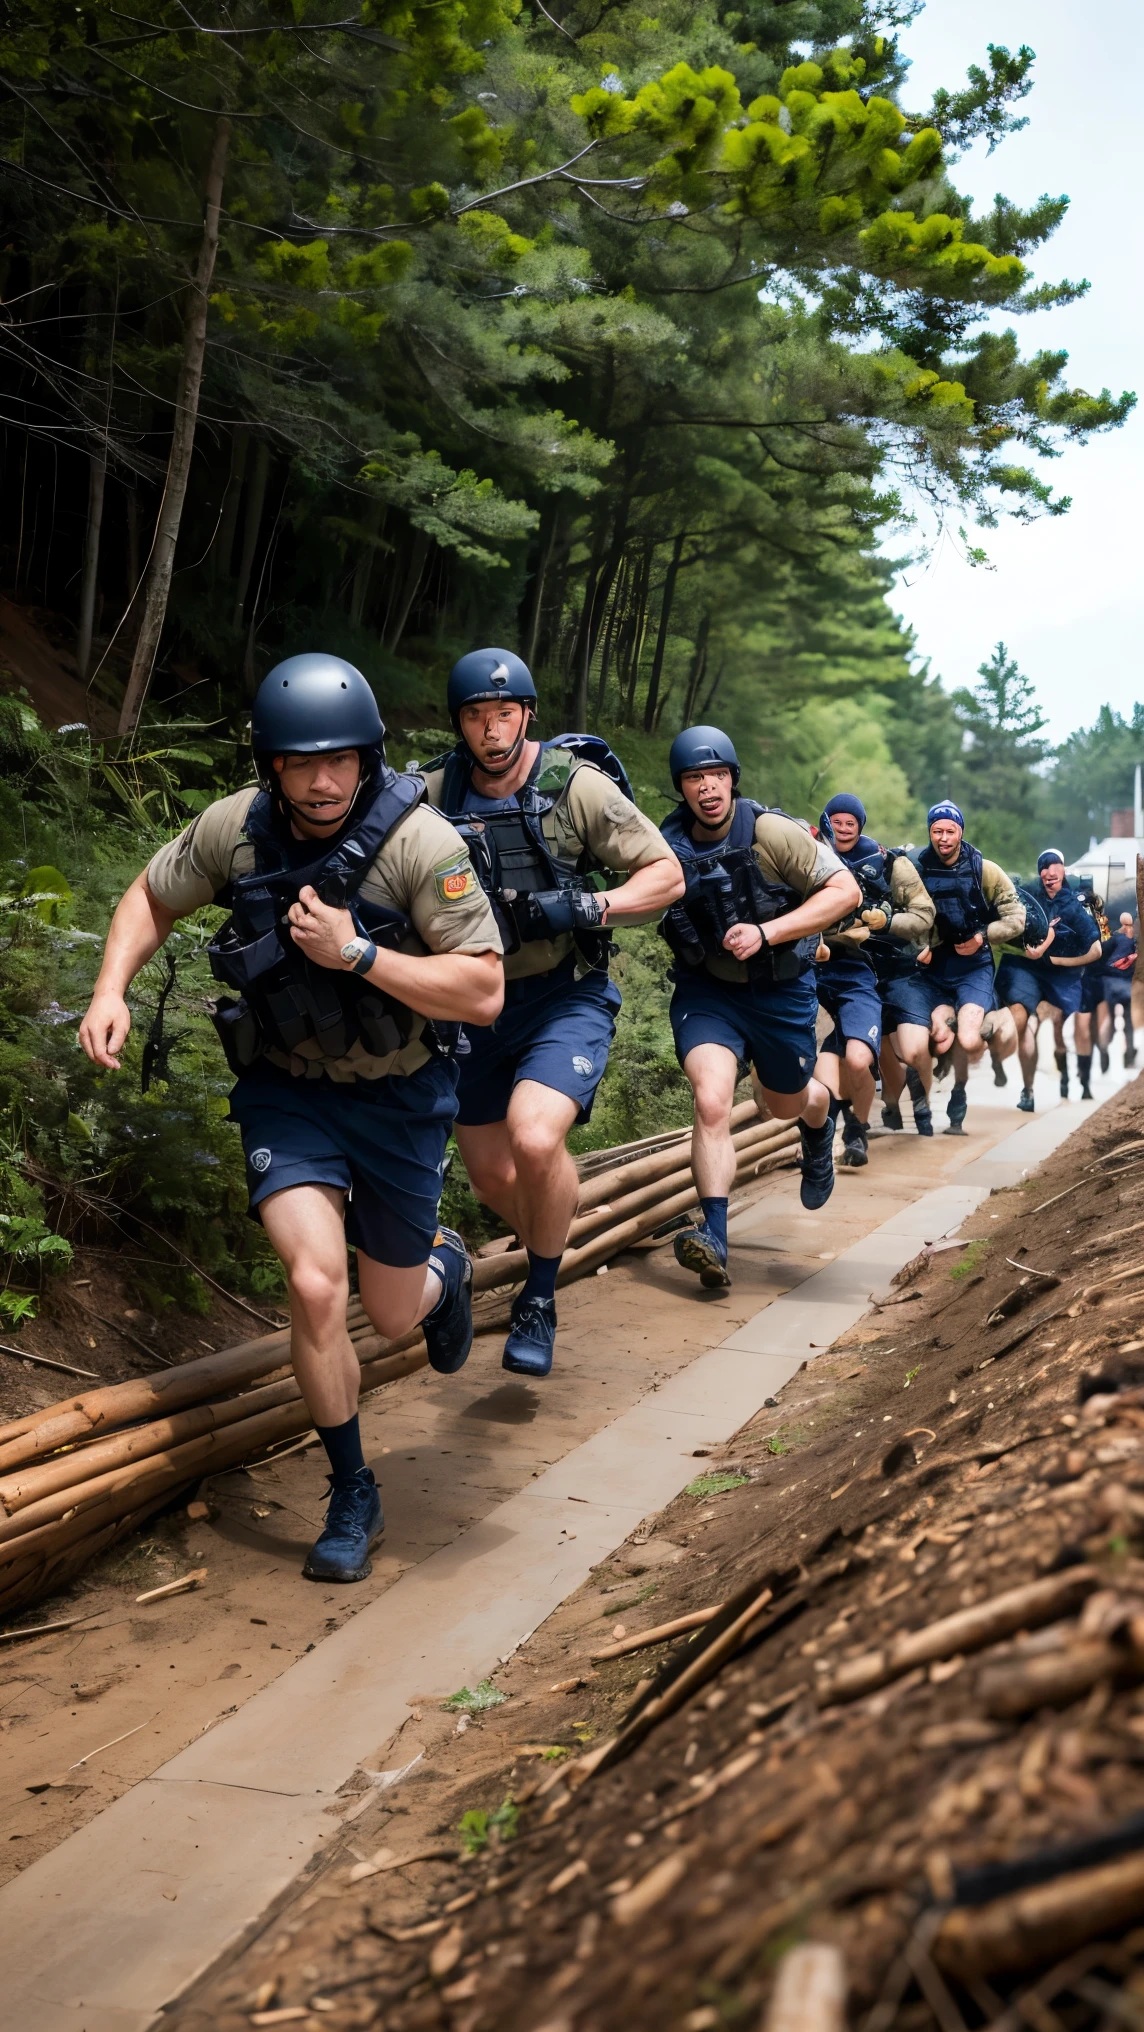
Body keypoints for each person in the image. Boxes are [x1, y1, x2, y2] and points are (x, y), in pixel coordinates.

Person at [79, 654, 505, 1586]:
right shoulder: (238, 827)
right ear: (271, 764)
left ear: (368, 758)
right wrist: (112, 987)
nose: (322, 781)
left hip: (399, 1095)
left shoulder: (423, 846)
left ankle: (445, 1271)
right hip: (289, 1089)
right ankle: (352, 1489)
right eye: (301, 762)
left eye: (341, 761)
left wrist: (357, 954)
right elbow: (152, 893)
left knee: (389, 1317)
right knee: (315, 1286)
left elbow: (481, 989)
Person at [419, 648, 684, 1378]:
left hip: (564, 994)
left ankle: (539, 1295)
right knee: (493, 1182)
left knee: (535, 1141)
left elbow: (666, 874)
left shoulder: (577, 788)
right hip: (473, 1006)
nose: (491, 730)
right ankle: (526, 1253)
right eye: (476, 716)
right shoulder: (431, 790)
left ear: (528, 715)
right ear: (460, 723)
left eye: (505, 713)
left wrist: (589, 904)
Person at [657, 727, 860, 1288]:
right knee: (711, 1100)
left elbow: (846, 893)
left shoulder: (771, 832)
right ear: (682, 787)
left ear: (732, 779)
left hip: (780, 992)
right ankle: (715, 1236)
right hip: (709, 991)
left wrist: (769, 931)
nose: (707, 788)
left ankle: (819, 1128)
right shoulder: (665, 844)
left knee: (784, 1105)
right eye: (694, 778)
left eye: (716, 775)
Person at [813, 793, 935, 1166]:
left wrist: (886, 922)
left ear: (861, 826)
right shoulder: (809, 852)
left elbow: (924, 913)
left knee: (872, 1052)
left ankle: (874, 1119)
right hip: (822, 964)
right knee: (837, 1055)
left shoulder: (887, 862)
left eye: (852, 822)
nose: (844, 828)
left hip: (888, 968)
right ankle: (831, 1126)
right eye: (838, 821)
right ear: (826, 821)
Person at [891, 803, 1024, 1135]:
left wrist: (983, 937)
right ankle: (936, 1072)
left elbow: (1017, 919)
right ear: (929, 832)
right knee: (938, 1036)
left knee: (967, 1037)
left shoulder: (984, 870)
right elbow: (898, 913)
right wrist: (915, 949)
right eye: (937, 831)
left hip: (973, 966)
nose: (944, 837)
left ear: (961, 832)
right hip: (933, 966)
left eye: (950, 831)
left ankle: (959, 1092)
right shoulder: (915, 868)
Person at [993, 849, 1101, 1112]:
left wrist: (1059, 963)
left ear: (1063, 870)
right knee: (1027, 1025)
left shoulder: (1074, 906)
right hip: (1029, 971)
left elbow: (1096, 950)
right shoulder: (1029, 894)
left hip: (1064, 978)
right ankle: (1028, 1090)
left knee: (1062, 1034)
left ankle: (1073, 1080)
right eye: (1044, 867)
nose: (1050, 872)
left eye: (1055, 866)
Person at [1097, 911, 1138, 1071]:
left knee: (1113, 1021)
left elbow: (1102, 956)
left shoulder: (1114, 938)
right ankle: (1127, 1055)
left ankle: (1104, 1053)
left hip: (1113, 983)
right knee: (1127, 1022)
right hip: (1122, 983)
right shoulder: (1134, 941)